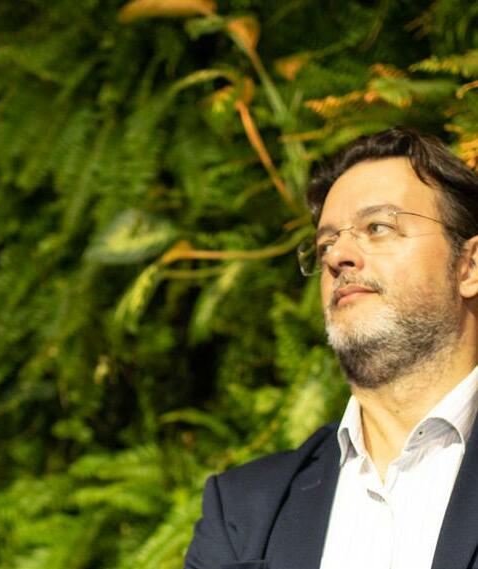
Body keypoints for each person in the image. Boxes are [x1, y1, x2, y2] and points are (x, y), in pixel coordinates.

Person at [184, 127, 478, 569]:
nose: (337, 256)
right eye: (326, 243)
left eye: (378, 228)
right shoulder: (243, 513)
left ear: (469, 267)